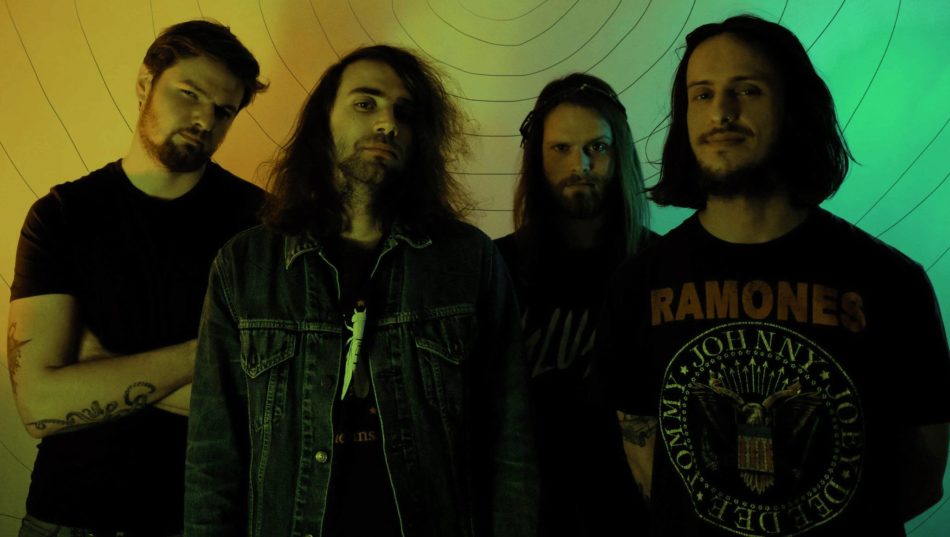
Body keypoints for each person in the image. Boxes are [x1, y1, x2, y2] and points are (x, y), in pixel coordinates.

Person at [596, 14, 950, 536]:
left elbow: (922, 474)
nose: (722, 112)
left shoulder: (891, 282)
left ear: (793, 107)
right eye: (702, 94)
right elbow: (645, 455)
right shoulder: (636, 286)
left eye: (747, 90)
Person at [183, 44, 537, 537]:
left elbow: (511, 440)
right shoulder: (245, 266)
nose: (388, 123)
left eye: (405, 113)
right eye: (365, 103)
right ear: (322, 123)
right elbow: (213, 456)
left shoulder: (468, 260)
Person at [6, 20, 266, 536]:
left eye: (224, 111)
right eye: (189, 94)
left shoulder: (260, 227)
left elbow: (267, 402)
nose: (204, 119)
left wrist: (97, 370)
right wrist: (207, 354)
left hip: (202, 520)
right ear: (146, 83)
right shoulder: (61, 216)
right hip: (68, 519)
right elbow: (39, 406)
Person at [494, 73, 652, 535]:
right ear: (537, 157)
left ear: (619, 153)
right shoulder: (494, 269)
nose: (579, 164)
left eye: (596, 147)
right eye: (560, 148)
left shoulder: (662, 270)